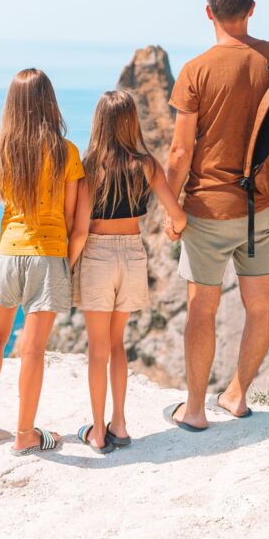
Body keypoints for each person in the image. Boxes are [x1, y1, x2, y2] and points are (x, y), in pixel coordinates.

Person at [163, 0, 269, 431]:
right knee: (260, 305)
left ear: (208, 11)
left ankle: (194, 410)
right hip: (264, 208)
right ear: (253, 9)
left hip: (209, 210)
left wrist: (170, 211)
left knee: (201, 309)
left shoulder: (196, 71)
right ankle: (238, 395)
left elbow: (180, 151)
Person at [0, 68, 85, 455]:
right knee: (33, 348)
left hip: (7, 256)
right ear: (49, 102)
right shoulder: (67, 152)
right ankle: (25, 434)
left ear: (11, 105)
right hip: (48, 257)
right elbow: (68, 218)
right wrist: (66, 263)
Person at [69, 90, 187, 453]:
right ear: (131, 122)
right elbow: (177, 214)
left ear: (99, 123)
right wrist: (174, 228)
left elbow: (79, 230)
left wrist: (66, 267)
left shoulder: (90, 167)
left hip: (98, 257)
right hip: (133, 255)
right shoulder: (148, 164)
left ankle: (98, 433)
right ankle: (119, 424)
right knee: (118, 344)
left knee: (98, 350)